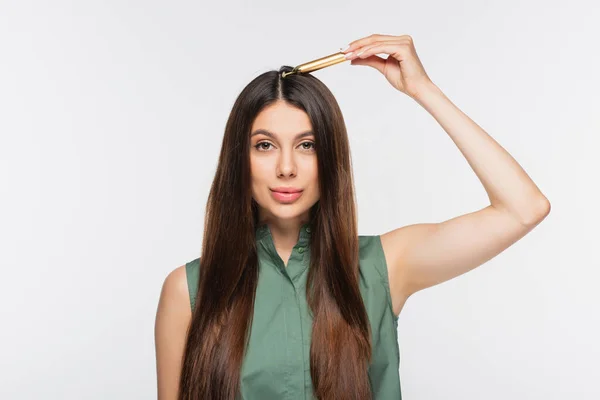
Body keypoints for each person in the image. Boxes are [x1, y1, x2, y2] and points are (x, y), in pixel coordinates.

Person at [154, 33, 551, 400]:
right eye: (265, 145)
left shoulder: (383, 267)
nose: (287, 167)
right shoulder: (188, 291)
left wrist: (421, 89)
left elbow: (523, 208)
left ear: (330, 156)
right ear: (239, 159)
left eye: (307, 144)